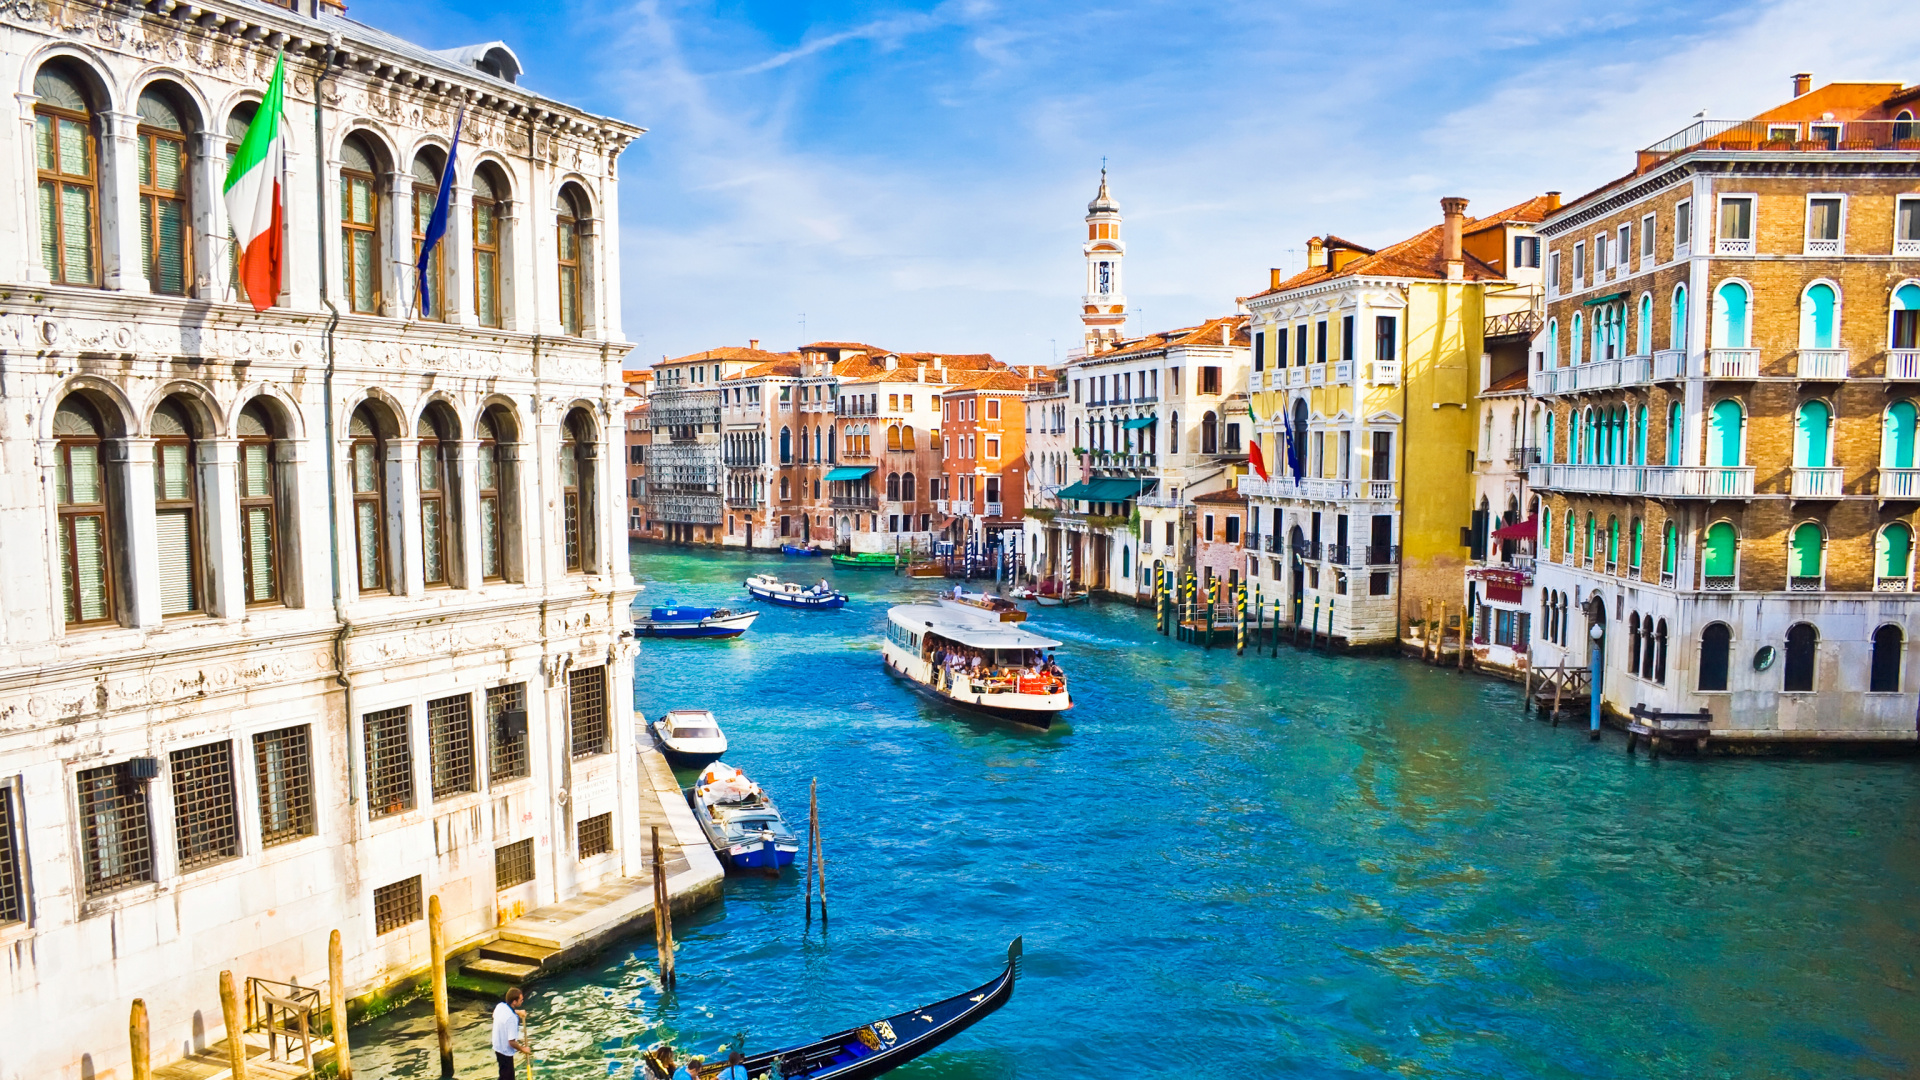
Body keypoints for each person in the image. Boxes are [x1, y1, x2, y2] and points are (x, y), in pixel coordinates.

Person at [492, 987, 530, 1080]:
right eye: (520, 1000)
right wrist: (523, 1049)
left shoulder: (500, 1006)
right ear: (514, 1002)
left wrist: (518, 1012)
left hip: (497, 1046)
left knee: (503, 1073)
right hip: (505, 1051)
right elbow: (511, 1042)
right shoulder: (512, 1019)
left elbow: (495, 1014)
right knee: (508, 1077)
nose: (522, 1001)